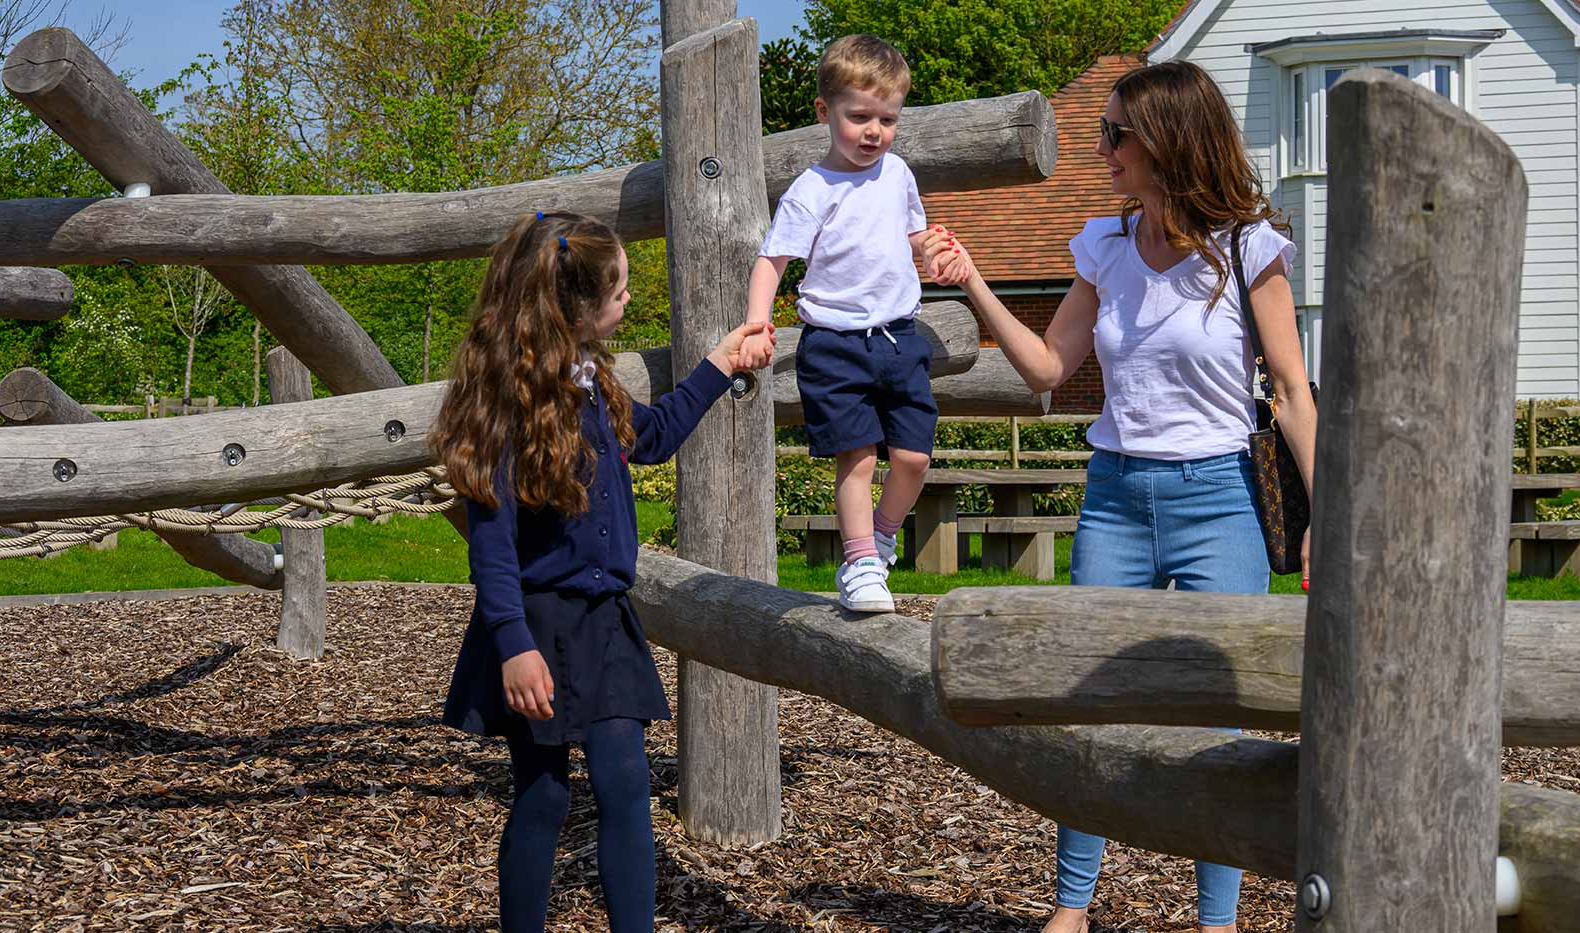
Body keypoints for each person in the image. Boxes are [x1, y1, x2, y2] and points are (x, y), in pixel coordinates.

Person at [924, 60, 1317, 933]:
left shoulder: (1251, 248)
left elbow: (1292, 394)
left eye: (1113, 134)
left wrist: (1322, 523)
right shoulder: (1102, 245)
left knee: (1222, 718)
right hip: (1113, 497)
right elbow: (1050, 369)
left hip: (1221, 499)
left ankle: (1218, 919)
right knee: (1087, 703)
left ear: (1166, 140)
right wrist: (974, 280)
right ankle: (1071, 908)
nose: (1100, 149)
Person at [434, 211, 774, 933]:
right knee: (545, 795)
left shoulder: (593, 382)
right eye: (618, 289)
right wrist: (514, 643)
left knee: (626, 784)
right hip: (538, 625)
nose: (627, 301)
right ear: (576, 306)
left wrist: (720, 364)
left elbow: (650, 436)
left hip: (606, 620)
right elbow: (491, 548)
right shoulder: (508, 399)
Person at [743, 33, 973, 612]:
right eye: (860, 116)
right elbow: (772, 260)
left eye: (888, 119)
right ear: (825, 112)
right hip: (836, 343)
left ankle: (882, 535)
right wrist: (757, 320)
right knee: (859, 456)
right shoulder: (812, 190)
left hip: (901, 339)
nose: (875, 131)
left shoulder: (896, 174)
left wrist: (932, 249)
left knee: (915, 457)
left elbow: (913, 232)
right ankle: (860, 560)